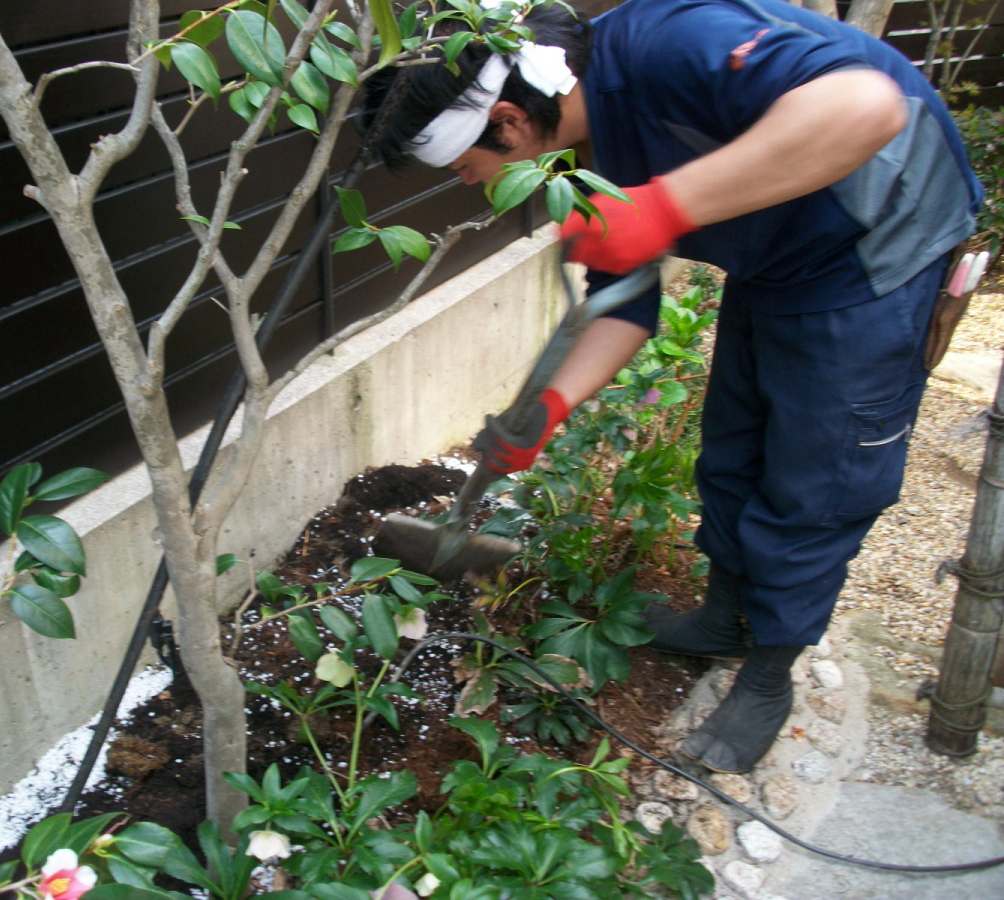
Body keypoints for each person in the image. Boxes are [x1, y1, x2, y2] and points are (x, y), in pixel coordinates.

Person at [361, 0, 982, 773]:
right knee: (734, 443)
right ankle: (725, 618)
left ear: (513, 121)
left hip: (873, 257)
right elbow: (626, 303)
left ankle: (769, 672)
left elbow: (868, 105)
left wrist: (664, 208)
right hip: (779, 257)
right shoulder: (584, 146)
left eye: (465, 167)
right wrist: (547, 410)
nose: (472, 184)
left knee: (820, 477)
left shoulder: (675, 44)